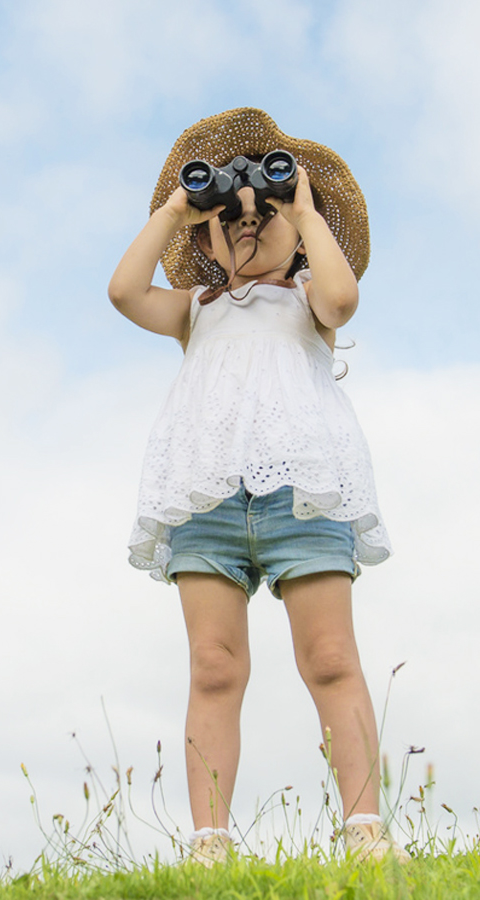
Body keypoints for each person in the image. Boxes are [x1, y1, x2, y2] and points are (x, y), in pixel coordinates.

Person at [107, 108, 406, 865]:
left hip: (301, 493)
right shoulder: (195, 313)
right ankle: (210, 842)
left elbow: (343, 298)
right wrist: (181, 205)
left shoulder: (308, 303)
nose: (246, 223)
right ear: (204, 237)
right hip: (206, 498)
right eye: (227, 217)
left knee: (332, 655)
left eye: (264, 214)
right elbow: (122, 291)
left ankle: (365, 830)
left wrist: (301, 207)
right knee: (213, 666)